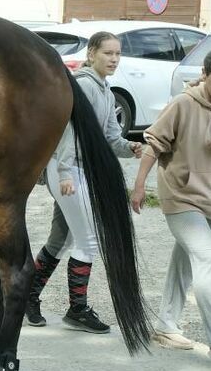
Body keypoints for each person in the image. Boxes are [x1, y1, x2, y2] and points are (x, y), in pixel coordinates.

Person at [130, 47, 211, 360]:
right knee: (207, 258)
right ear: (204, 75)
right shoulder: (183, 104)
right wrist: (138, 186)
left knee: (186, 262)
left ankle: (165, 325)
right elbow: (154, 145)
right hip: (181, 195)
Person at [26, 31, 142, 332]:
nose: (114, 59)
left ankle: (27, 297)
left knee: (61, 238)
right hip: (68, 170)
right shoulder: (86, 87)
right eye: (108, 53)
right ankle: (77, 310)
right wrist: (64, 174)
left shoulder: (105, 89)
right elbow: (70, 132)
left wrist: (131, 147)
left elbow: (110, 137)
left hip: (76, 171)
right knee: (88, 241)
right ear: (92, 54)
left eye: (117, 54)